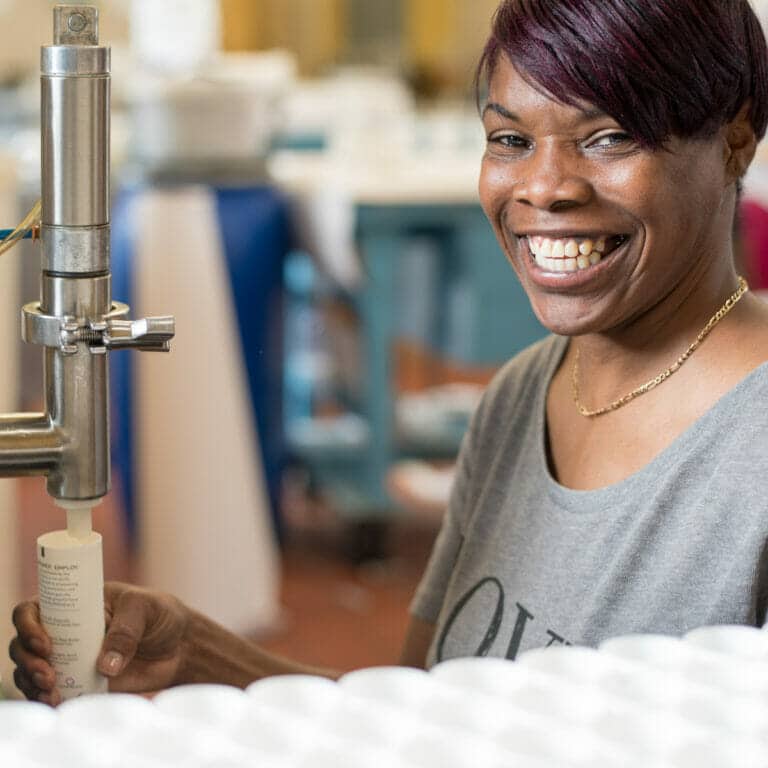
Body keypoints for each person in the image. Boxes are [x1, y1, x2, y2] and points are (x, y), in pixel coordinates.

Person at [10, 0, 768, 704]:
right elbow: (421, 717)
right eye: (510, 139)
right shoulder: (522, 397)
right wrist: (202, 656)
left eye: (608, 137)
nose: (543, 187)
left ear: (737, 136)